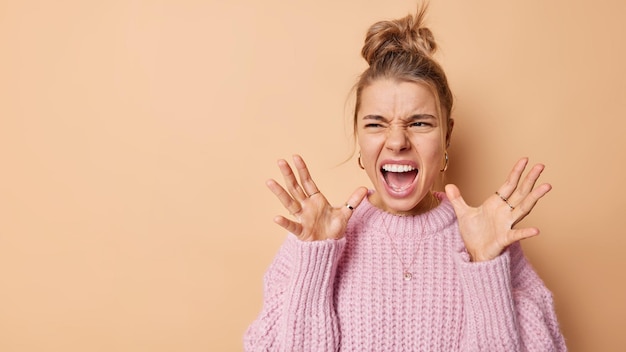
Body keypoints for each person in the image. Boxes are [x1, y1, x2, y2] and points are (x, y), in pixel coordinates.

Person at [244, 5, 566, 352]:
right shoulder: (313, 241)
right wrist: (316, 261)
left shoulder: (491, 241)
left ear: (447, 136)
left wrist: (486, 266)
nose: (397, 142)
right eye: (376, 124)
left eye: (419, 122)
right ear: (359, 139)